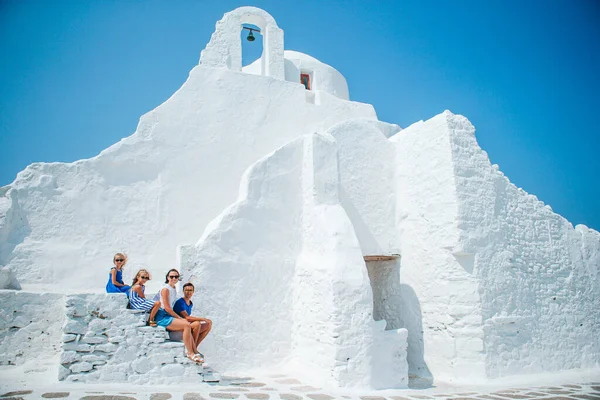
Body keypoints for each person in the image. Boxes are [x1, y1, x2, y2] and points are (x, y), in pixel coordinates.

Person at [153, 269, 202, 363]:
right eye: (171, 276)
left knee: (189, 324)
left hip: (168, 316)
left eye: (176, 276)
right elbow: (167, 308)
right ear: (167, 277)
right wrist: (179, 318)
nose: (174, 278)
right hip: (162, 316)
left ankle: (194, 350)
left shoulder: (173, 288)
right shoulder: (165, 289)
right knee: (186, 324)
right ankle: (190, 352)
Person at [173, 282, 212, 363]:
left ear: (193, 291)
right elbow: (187, 317)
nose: (188, 292)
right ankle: (192, 350)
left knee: (208, 324)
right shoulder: (180, 302)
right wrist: (203, 319)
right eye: (186, 290)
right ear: (183, 291)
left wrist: (206, 321)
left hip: (187, 325)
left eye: (190, 290)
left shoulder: (190, 303)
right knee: (197, 324)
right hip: (180, 327)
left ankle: (195, 348)